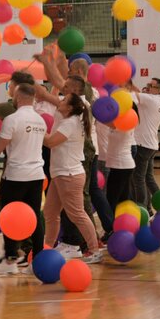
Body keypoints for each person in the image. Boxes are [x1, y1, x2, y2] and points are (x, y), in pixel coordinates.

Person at [0, 84, 47, 275]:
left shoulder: (12, 119)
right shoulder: (40, 120)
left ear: (19, 98)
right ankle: (37, 260)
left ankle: (11, 258)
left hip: (16, 175)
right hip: (37, 175)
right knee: (35, 216)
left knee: (8, 215)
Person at [42, 94, 102, 264]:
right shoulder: (70, 118)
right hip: (60, 174)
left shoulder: (70, 123)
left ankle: (94, 250)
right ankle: (48, 247)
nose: (59, 100)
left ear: (69, 107)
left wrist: (37, 129)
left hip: (68, 174)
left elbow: (51, 142)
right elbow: (55, 104)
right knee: (50, 212)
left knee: (77, 214)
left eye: (63, 100)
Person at [131, 78, 160, 213]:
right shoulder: (156, 100)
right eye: (147, 85)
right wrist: (130, 83)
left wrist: (123, 83)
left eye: (151, 86)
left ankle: (143, 208)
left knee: (138, 178)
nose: (148, 87)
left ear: (159, 90)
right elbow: (138, 92)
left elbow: (131, 95)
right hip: (151, 145)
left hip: (143, 146)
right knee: (148, 178)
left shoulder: (151, 100)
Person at [105, 112, 137, 210]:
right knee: (123, 198)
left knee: (112, 198)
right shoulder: (120, 123)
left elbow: (106, 121)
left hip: (121, 166)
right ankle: (125, 221)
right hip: (121, 165)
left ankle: (112, 223)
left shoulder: (124, 124)